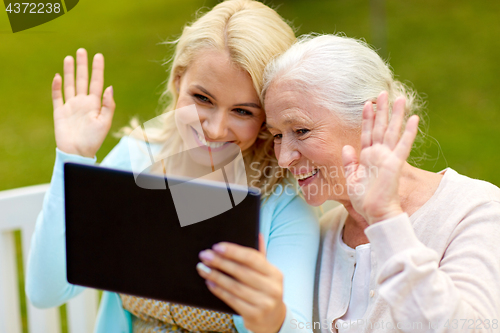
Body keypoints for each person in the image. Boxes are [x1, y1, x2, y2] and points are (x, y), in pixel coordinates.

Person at [25, 2, 320, 333]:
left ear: (267, 118)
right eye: (203, 98)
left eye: (243, 111)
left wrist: (269, 317)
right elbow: (46, 291)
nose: (216, 129)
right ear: (178, 80)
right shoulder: (135, 162)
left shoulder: (282, 203)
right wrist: (73, 156)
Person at [262, 34, 500, 332]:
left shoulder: (474, 210)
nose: (284, 158)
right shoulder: (319, 234)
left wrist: (386, 220)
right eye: (277, 135)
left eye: (301, 130)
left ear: (372, 118)